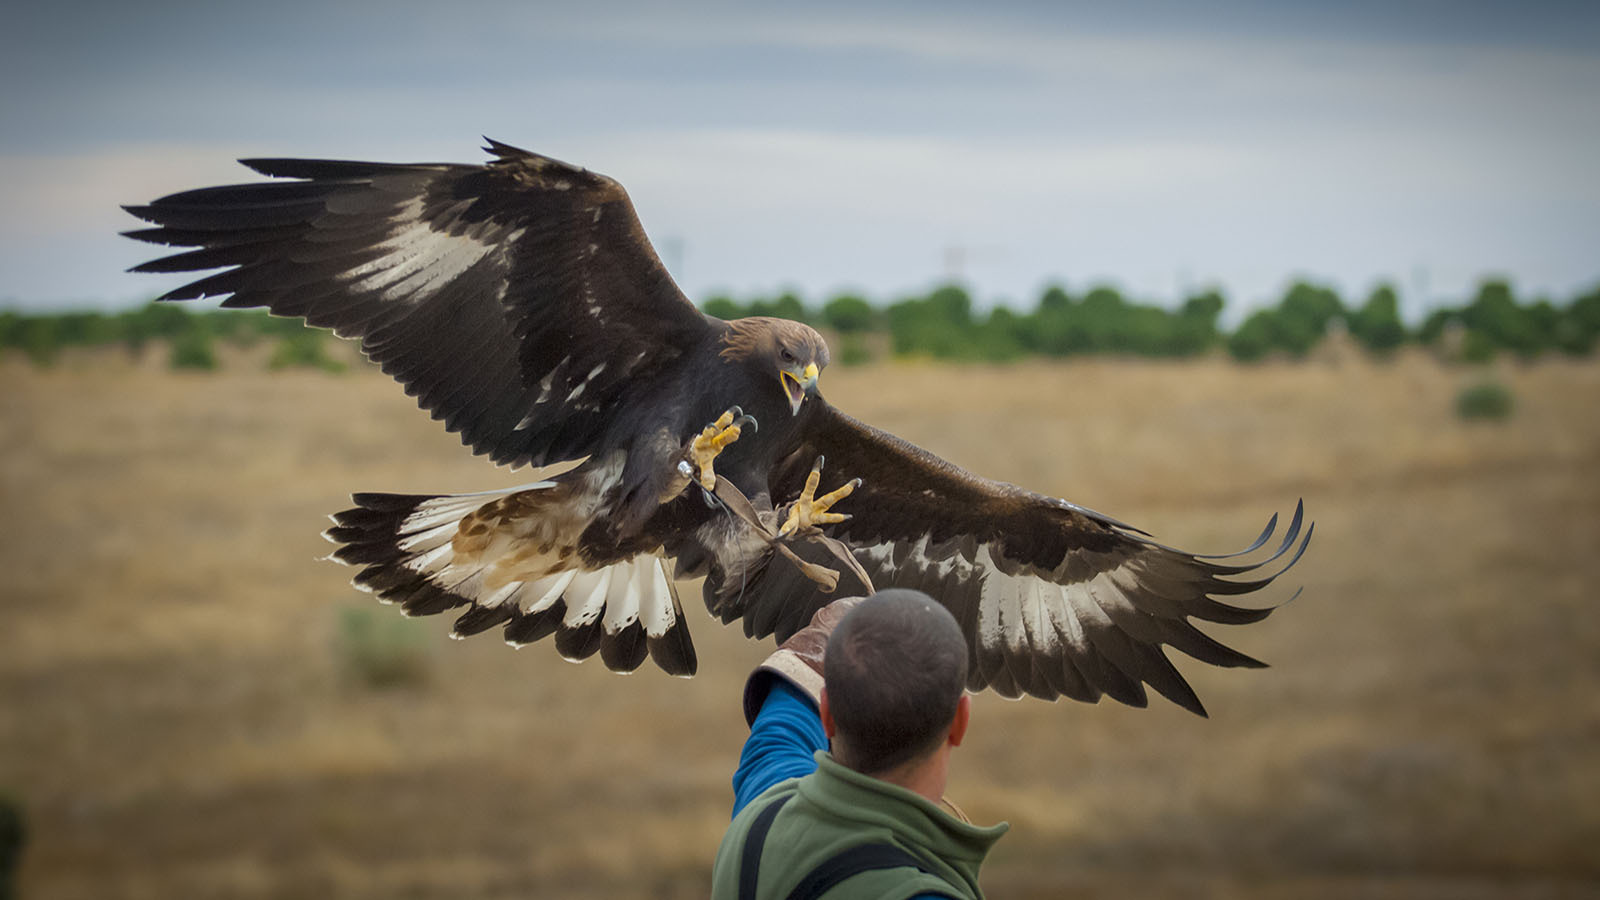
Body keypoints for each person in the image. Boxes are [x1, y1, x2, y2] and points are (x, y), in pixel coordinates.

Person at [709, 589, 1008, 899]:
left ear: (827, 713)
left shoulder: (759, 819)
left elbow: (781, 730)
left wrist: (834, 642)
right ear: (960, 722)